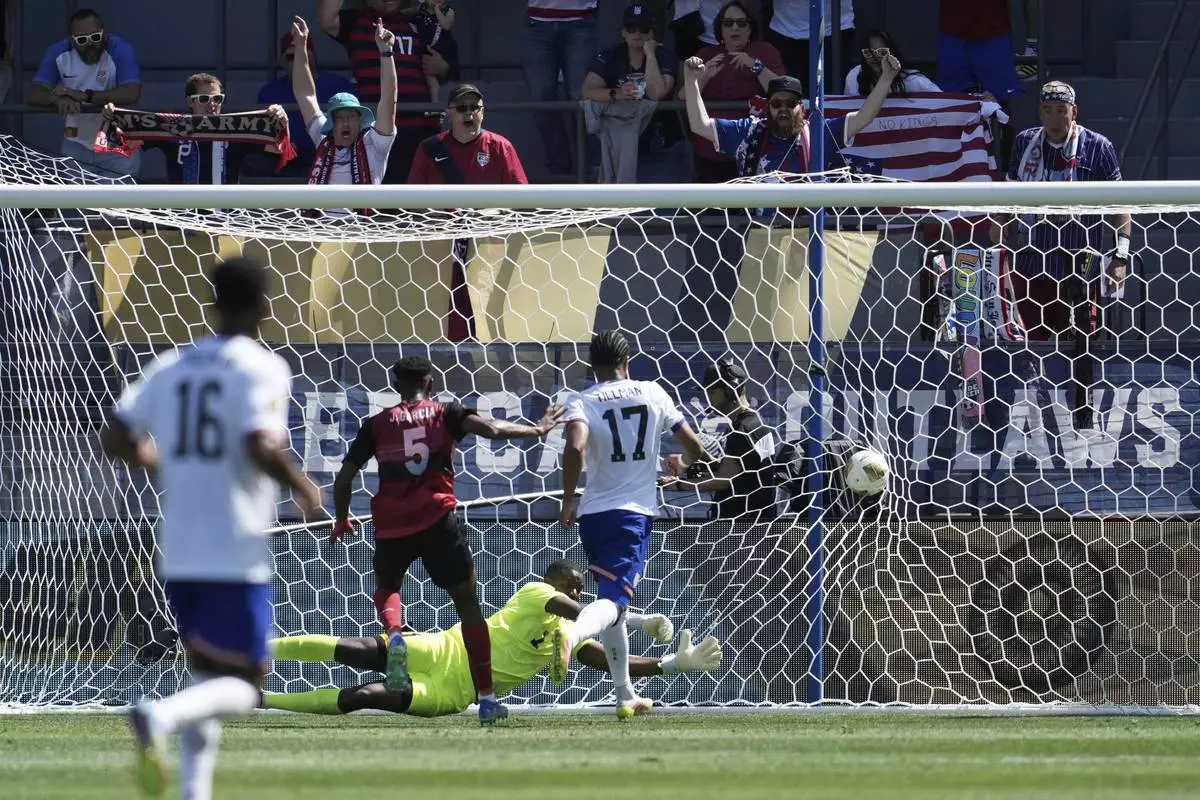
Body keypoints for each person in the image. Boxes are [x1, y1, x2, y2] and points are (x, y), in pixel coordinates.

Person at [99, 256, 322, 798]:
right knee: (246, 687)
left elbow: (116, 436)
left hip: (177, 549)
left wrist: (158, 460)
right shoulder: (262, 367)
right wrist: (302, 483)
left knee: (208, 678)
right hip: (233, 548)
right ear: (266, 307)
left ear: (211, 302)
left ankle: (194, 791)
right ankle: (159, 715)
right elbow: (257, 442)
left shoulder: (172, 365)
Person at [332, 355, 564, 725]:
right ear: (431, 381)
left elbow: (344, 479)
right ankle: (487, 700)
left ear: (396, 384)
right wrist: (537, 430)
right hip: (438, 520)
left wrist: (342, 519)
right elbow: (492, 429)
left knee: (388, 587)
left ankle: (395, 634)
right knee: (468, 606)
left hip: (392, 524)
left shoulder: (375, 424)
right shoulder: (447, 413)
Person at [262, 560, 723, 716]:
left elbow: (608, 661)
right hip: (447, 646)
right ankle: (264, 649)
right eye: (572, 583)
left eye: (581, 586)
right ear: (554, 581)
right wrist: (634, 618)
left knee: (363, 696)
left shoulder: (571, 635)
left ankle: (264, 700)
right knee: (356, 649)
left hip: (453, 690)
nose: (577, 590)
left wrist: (667, 665)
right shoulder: (538, 593)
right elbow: (582, 612)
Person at [556, 330, 711, 719]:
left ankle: (625, 694)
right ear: (628, 361)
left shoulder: (582, 400)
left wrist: (568, 498)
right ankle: (572, 634)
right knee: (614, 602)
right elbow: (695, 447)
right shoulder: (653, 392)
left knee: (616, 606)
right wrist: (684, 465)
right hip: (632, 515)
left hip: (593, 515)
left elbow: (574, 447)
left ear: (592, 365)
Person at [992, 80, 1130, 429]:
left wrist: (1121, 256)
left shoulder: (1098, 147)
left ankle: (1083, 420)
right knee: (1028, 346)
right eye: (1048, 109)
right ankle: (1032, 420)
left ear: (1074, 112)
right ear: (1040, 111)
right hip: (1031, 259)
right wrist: (999, 233)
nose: (1054, 117)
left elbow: (1120, 206)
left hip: (1080, 261)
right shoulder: (1026, 143)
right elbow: (1009, 198)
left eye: (1061, 109)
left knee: (1082, 344)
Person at [407, 84, 527, 341]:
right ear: (449, 113)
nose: (469, 114)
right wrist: (438, 218)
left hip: (488, 253)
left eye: (475, 108)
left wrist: (490, 215)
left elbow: (522, 200)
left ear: (483, 113)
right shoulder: (429, 149)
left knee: (488, 322)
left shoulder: (500, 147)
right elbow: (412, 203)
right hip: (441, 254)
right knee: (444, 325)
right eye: (462, 108)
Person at [319, 0, 457, 184]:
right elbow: (327, 20)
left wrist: (443, 67)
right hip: (375, 133)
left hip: (420, 130)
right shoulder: (356, 21)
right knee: (379, 202)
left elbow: (450, 64)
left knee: (421, 201)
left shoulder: (418, 21)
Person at [684, 59, 896, 179]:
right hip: (764, 231)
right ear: (767, 108)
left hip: (811, 231)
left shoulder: (819, 132)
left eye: (790, 104)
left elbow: (863, 117)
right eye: (776, 104)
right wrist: (691, 80)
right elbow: (699, 125)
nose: (783, 109)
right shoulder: (749, 131)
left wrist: (886, 78)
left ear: (801, 108)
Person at [290, 16, 395, 209]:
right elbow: (305, 95)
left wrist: (386, 53)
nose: (346, 122)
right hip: (322, 231)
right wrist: (301, 46)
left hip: (362, 233)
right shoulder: (323, 137)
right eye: (339, 117)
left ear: (360, 120)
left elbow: (388, 100)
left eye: (352, 116)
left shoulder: (374, 143)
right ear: (331, 123)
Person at [658, 357, 778, 524]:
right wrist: (704, 457)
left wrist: (678, 484)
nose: (708, 397)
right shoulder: (753, 422)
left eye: (711, 391)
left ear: (727, 390)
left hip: (743, 528)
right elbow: (741, 472)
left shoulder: (742, 429)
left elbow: (723, 481)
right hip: (755, 525)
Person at [27, 8, 142, 176]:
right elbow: (34, 91)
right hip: (76, 144)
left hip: (118, 146)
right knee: (75, 202)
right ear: (72, 41)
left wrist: (85, 96)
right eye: (82, 40)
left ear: (105, 34)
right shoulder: (59, 51)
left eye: (95, 37)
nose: (90, 44)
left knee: (117, 202)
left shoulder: (120, 49)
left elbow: (132, 92)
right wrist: (56, 99)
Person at [686, 0, 786, 183]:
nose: (735, 28)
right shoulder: (706, 54)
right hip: (711, 147)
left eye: (741, 23)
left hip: (755, 147)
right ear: (720, 29)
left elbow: (784, 93)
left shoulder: (765, 51)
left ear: (750, 29)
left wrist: (757, 67)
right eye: (728, 23)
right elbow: (683, 96)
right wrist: (704, 76)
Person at [129, 74, 287, 185]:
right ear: (190, 102)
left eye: (217, 99)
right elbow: (129, 141)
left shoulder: (237, 130)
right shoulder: (172, 128)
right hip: (182, 223)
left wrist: (281, 123)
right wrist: (111, 117)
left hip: (225, 223)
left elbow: (278, 150)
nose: (212, 104)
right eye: (204, 99)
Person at [580, 4, 677, 183]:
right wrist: (617, 93)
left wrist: (651, 54)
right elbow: (587, 90)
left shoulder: (664, 54)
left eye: (644, 29)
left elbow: (655, 93)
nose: (637, 34)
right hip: (617, 134)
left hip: (657, 137)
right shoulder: (611, 54)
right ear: (623, 32)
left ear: (652, 33)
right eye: (632, 29)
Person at [255, 31, 355, 177]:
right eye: (290, 57)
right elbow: (262, 135)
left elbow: (356, 127)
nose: (297, 61)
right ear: (281, 61)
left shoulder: (339, 86)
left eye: (303, 55)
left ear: (314, 57)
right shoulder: (269, 92)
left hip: (332, 158)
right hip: (285, 163)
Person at [522, 0, 598, 179]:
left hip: (581, 20)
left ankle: (590, 171)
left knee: (582, 97)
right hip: (537, 21)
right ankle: (560, 169)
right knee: (541, 98)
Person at [845, 29, 941, 96]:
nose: (875, 57)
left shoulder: (913, 81)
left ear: (892, 53)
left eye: (881, 52)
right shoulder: (853, 77)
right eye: (869, 52)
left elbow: (942, 101)